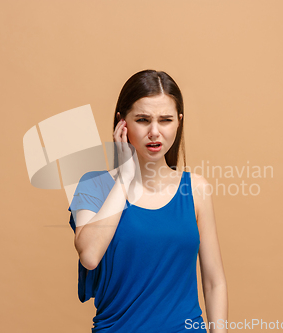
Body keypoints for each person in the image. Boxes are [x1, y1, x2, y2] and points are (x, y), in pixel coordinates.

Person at [68, 69, 228, 332]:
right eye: (143, 119)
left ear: (178, 122)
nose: (155, 132)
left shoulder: (196, 189)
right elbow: (90, 256)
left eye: (165, 120)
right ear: (122, 123)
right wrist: (124, 177)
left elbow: (214, 282)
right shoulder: (93, 186)